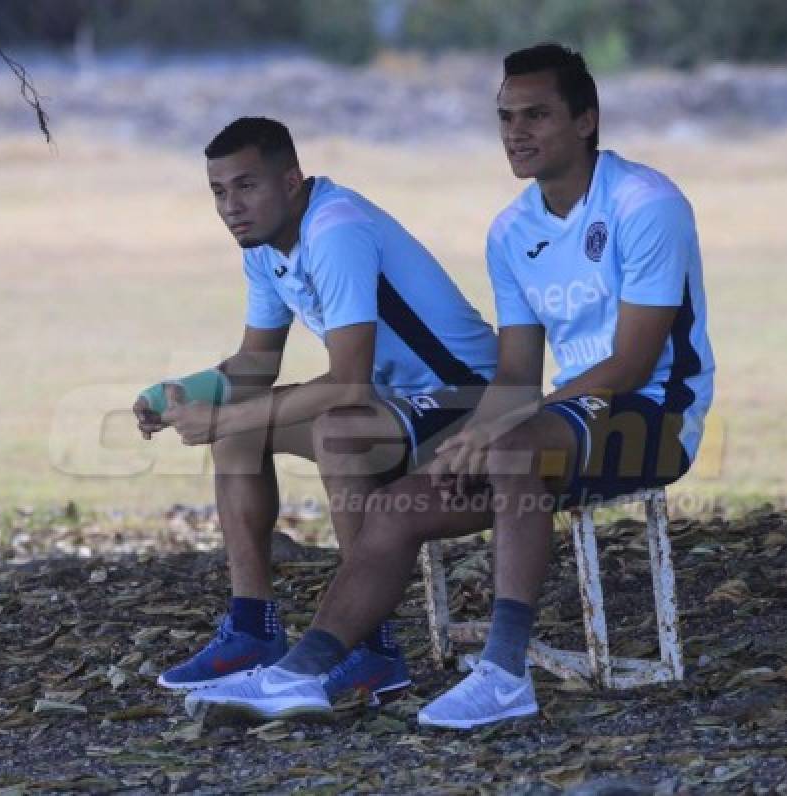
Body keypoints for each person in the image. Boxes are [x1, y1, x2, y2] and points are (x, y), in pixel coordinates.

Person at [187, 43, 714, 729]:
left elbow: (632, 366)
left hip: (654, 417)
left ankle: (503, 674)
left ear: (586, 120)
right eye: (505, 118)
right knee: (394, 510)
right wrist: (472, 433)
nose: (516, 133)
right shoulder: (511, 230)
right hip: (563, 422)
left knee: (512, 447)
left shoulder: (646, 202)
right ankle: (301, 673)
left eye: (537, 115)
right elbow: (517, 375)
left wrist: (495, 433)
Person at [137, 117, 497, 704]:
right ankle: (253, 630)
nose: (232, 206)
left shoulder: (335, 229)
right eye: (219, 192)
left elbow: (350, 383)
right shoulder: (263, 245)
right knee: (243, 428)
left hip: (474, 397)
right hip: (402, 402)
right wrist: (179, 394)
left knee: (339, 429)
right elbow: (256, 363)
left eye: (247, 186)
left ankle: (370, 648)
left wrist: (223, 418)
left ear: (292, 180)